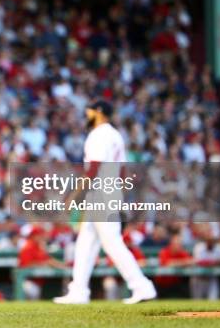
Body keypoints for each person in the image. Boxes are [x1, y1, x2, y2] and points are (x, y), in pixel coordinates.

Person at [53, 101, 156, 305]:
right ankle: (79, 291)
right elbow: (122, 171)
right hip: (107, 191)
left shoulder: (99, 134)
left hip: (101, 192)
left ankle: (142, 286)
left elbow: (94, 169)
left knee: (111, 243)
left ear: (99, 112)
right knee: (85, 243)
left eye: (89, 111)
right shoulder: (115, 134)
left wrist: (74, 195)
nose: (87, 115)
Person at [18, 225, 64, 300]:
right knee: (31, 291)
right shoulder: (27, 247)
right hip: (27, 281)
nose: (41, 237)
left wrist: (60, 264)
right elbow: (25, 266)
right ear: (33, 236)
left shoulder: (39, 247)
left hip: (39, 282)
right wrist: (45, 264)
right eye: (39, 235)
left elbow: (48, 260)